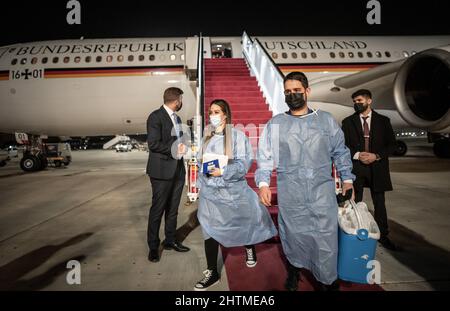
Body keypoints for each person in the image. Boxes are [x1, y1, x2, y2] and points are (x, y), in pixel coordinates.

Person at [256, 72, 355, 291]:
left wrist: (347, 179)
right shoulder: (276, 123)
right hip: (291, 193)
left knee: (325, 238)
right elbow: (265, 156)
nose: (292, 96)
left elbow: (340, 151)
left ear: (307, 91)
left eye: (297, 91)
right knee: (293, 235)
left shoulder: (325, 120)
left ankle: (326, 279)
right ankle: (294, 271)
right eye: (288, 92)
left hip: (322, 193)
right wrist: (263, 183)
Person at [194, 99, 277, 291]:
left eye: (217, 112)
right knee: (209, 228)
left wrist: (222, 171)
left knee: (243, 221)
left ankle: (249, 248)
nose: (213, 115)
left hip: (232, 191)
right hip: (210, 193)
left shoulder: (238, 137)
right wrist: (201, 178)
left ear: (225, 114)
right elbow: (200, 164)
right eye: (211, 112)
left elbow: (243, 165)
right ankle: (212, 272)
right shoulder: (206, 137)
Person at [341, 89, 398, 251]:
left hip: (377, 168)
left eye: (359, 100)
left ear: (369, 101)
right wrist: (358, 155)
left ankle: (383, 235)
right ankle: (358, 233)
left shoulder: (383, 121)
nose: (356, 104)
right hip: (357, 168)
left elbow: (392, 145)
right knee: (356, 202)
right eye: (354, 101)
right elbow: (343, 147)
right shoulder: (348, 122)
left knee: (379, 203)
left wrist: (376, 156)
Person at [146, 87, 190, 263]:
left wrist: (185, 144)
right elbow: (153, 144)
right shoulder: (155, 117)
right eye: (180, 99)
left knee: (173, 210)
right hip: (161, 172)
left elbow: (179, 141)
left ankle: (171, 240)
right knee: (157, 210)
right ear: (176, 100)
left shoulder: (177, 118)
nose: (181, 102)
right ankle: (154, 247)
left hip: (178, 170)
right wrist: (174, 148)